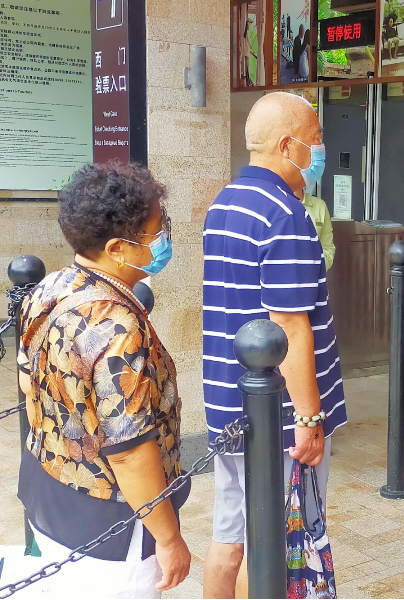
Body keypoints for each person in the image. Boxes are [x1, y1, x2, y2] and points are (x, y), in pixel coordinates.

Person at [16, 162, 189, 598]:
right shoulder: (118, 328)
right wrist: (169, 538)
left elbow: (27, 383)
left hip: (49, 492)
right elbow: (129, 452)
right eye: (157, 230)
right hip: (113, 528)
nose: (164, 238)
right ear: (117, 248)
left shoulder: (49, 288)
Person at [201, 92, 346, 599]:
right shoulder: (286, 214)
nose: (320, 149)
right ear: (288, 146)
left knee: (230, 536)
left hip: (230, 403)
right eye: (316, 139)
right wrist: (309, 418)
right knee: (274, 544)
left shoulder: (224, 202)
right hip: (278, 417)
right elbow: (290, 324)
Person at [302, 187, 335, 271]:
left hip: (313, 275)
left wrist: (317, 267)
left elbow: (327, 247)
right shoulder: (274, 204)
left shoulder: (320, 206)